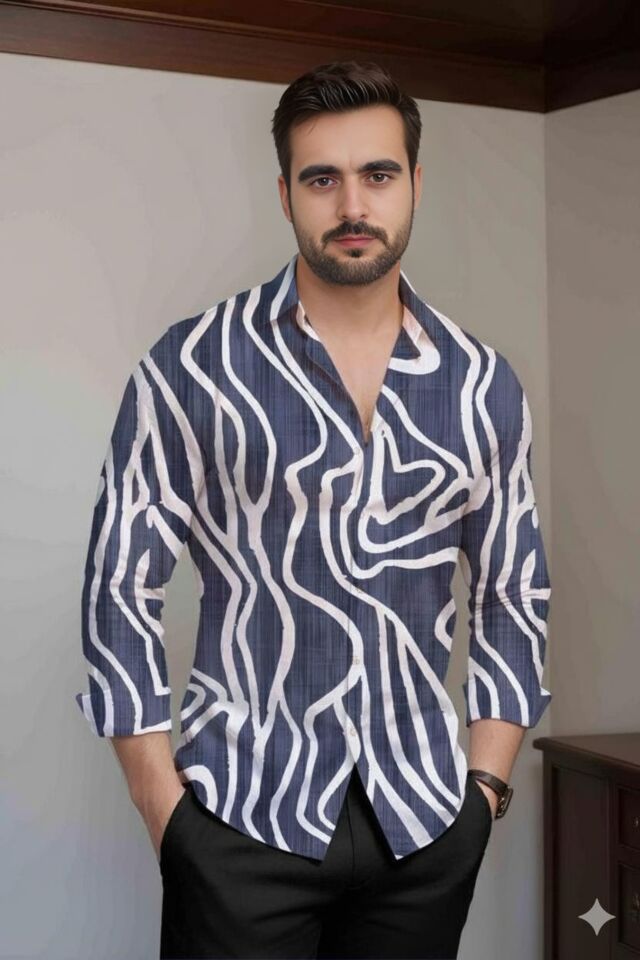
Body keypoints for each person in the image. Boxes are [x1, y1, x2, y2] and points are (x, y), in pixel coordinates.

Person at [74, 59, 552, 960]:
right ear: (286, 192)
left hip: (423, 823)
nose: (353, 205)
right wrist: (163, 810)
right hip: (239, 815)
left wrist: (483, 793)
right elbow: (119, 586)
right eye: (322, 179)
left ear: (416, 183)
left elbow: (511, 592)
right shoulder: (193, 365)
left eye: (379, 174)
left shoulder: (482, 385)